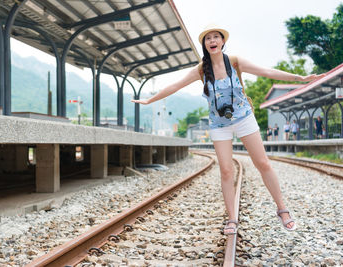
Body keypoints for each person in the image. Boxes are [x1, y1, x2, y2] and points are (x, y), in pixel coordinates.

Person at [132, 24, 325, 233]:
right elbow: (175, 86)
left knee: (263, 163)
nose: (212, 41)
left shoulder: (234, 62)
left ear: (223, 42)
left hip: (243, 118)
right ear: (204, 45)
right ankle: (232, 218)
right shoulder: (201, 69)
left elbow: (266, 71)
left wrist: (300, 79)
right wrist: (149, 100)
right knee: (226, 170)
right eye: (208, 38)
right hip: (218, 124)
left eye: (216, 37)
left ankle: (283, 210)